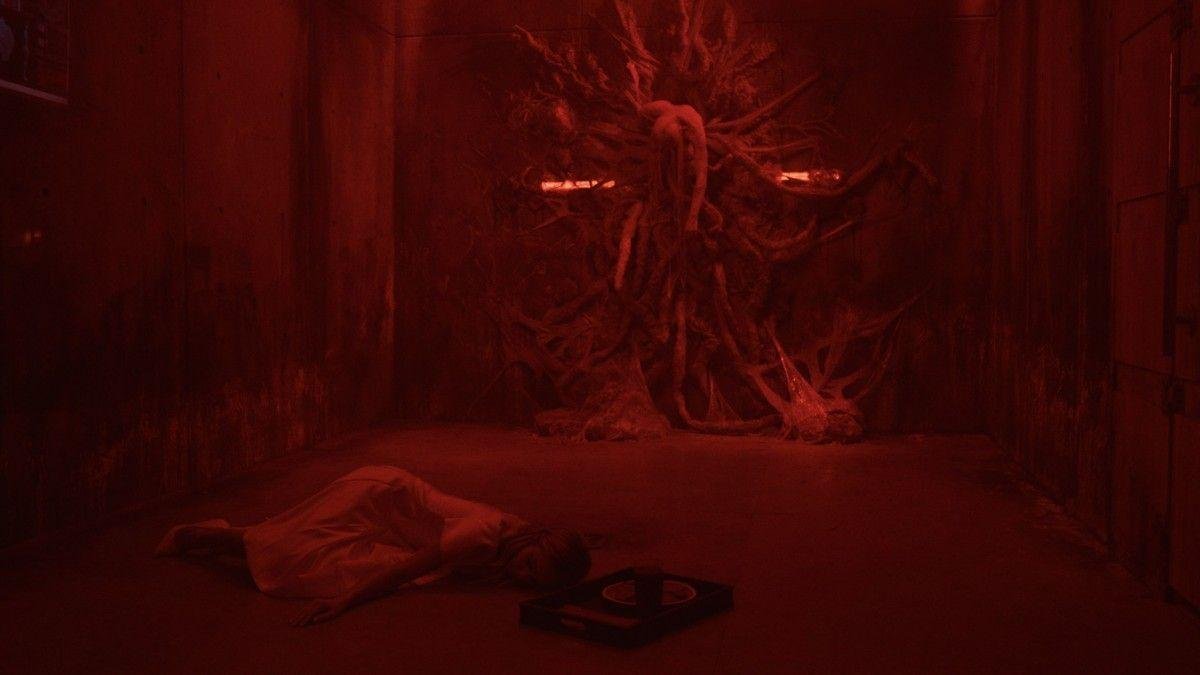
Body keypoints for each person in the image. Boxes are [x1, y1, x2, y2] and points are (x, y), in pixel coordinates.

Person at [155, 465, 591, 626]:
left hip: (398, 526)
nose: (521, 576)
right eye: (529, 565)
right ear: (534, 542)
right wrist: (344, 603)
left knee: (315, 558)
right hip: (376, 498)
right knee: (292, 552)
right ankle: (197, 534)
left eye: (531, 580)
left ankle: (217, 537)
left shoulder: (519, 537)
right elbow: (409, 569)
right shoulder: (484, 534)